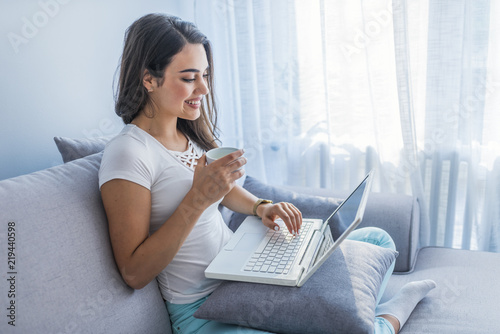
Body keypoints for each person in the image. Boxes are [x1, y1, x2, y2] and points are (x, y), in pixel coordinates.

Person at [99, 13, 436, 334]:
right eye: (189, 78)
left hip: (242, 274)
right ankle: (388, 312)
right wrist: (197, 199)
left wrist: (261, 206)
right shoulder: (129, 153)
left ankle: (348, 310)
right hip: (202, 308)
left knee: (378, 241)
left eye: (205, 75)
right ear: (149, 79)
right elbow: (133, 271)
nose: (203, 88)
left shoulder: (187, 133)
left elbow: (223, 190)